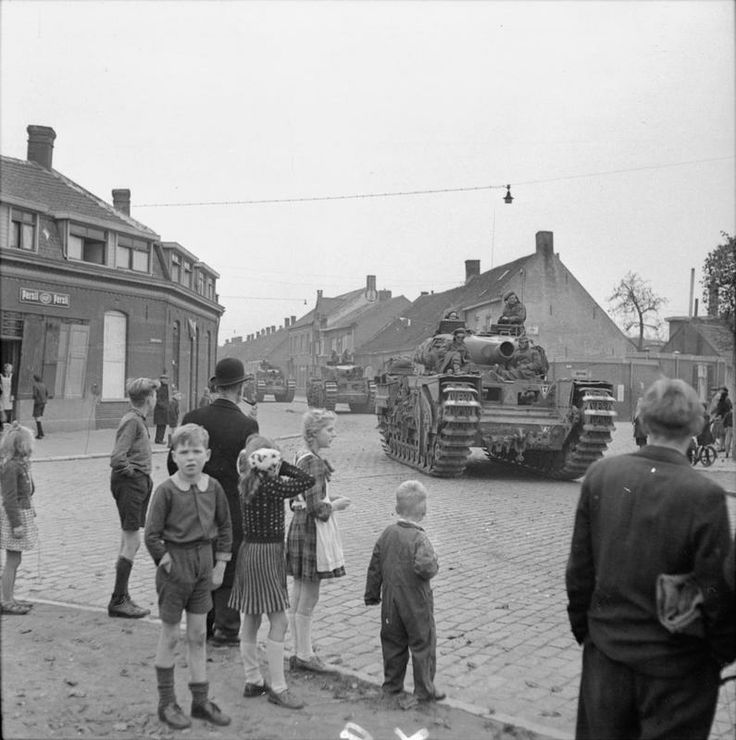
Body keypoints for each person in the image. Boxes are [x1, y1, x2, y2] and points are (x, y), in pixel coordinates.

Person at [566, 378, 736, 740]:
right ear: (698, 425)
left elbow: (579, 573)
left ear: (641, 421)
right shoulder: (705, 495)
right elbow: (717, 591)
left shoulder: (601, 475)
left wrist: (591, 636)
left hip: (606, 658)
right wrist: (718, 655)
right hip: (677, 671)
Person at [144, 423, 232, 730]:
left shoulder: (215, 488)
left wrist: (220, 564)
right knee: (170, 634)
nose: (191, 458)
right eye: (184, 452)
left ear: (207, 454)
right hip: (176, 567)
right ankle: (166, 702)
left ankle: (200, 701)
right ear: (174, 456)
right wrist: (166, 562)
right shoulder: (166, 490)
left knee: (197, 635)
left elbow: (224, 527)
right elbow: (152, 535)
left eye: (196, 451)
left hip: (203, 565)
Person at [171, 357, 259, 646]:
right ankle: (227, 628)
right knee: (229, 564)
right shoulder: (247, 424)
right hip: (232, 507)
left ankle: (201, 625)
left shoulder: (192, 418)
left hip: (194, 504)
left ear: (217, 385)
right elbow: (251, 474)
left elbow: (173, 467)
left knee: (199, 560)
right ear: (240, 387)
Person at [230, 435, 315, 709]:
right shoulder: (271, 485)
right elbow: (307, 481)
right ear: (265, 461)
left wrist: (265, 464)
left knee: (252, 617)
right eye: (273, 458)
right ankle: (278, 687)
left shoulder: (247, 482)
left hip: (250, 552)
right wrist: (285, 465)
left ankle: (253, 680)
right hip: (267, 554)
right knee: (279, 622)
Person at [364, 480, 444, 707]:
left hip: (390, 602)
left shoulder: (387, 533)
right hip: (416, 602)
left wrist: (372, 594)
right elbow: (426, 568)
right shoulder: (420, 539)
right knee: (422, 644)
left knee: (393, 643)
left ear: (398, 509)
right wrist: (435, 562)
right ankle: (423, 691)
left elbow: (375, 565)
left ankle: (392, 687)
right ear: (424, 510)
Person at [286, 408, 351, 672]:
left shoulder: (301, 457)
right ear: (314, 433)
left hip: (299, 527)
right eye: (329, 430)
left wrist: (327, 500)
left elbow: (296, 500)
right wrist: (336, 505)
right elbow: (317, 509)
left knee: (300, 592)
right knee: (310, 596)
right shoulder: (313, 462)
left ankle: (300, 648)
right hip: (312, 530)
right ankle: (304, 655)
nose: (333, 435)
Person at [108, 377, 159, 619]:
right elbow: (118, 457)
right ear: (149, 398)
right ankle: (118, 600)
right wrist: (134, 474)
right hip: (131, 484)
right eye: (155, 396)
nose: (156, 399)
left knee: (129, 541)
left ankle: (122, 595)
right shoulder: (132, 422)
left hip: (137, 484)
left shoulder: (136, 419)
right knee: (132, 541)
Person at [0, 423, 38, 615]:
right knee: (12, 560)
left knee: (16, 560)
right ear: (20, 446)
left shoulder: (20, 465)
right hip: (14, 518)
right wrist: (16, 524)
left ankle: (10, 596)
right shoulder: (11, 467)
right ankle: (6, 600)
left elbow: (28, 491)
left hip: (21, 514)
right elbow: (9, 499)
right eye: (28, 444)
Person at [710, 387, 732, 452]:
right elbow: (730, 408)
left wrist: (714, 417)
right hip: (725, 419)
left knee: (721, 434)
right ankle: (722, 447)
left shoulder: (721, 401)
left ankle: (721, 447)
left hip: (721, 419)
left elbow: (718, 410)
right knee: (723, 434)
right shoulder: (726, 400)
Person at [153, 374, 170, 445]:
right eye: (165, 379)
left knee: (163, 425)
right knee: (160, 425)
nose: (167, 381)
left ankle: (160, 438)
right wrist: (164, 406)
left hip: (164, 409)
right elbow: (158, 399)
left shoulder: (165, 387)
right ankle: (159, 439)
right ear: (162, 380)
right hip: (160, 409)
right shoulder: (160, 388)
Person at [31, 374, 49, 440]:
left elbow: (35, 395)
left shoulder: (35, 385)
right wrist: (45, 399)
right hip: (43, 403)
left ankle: (40, 434)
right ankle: (41, 433)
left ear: (35, 379)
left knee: (37, 418)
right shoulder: (43, 385)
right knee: (39, 417)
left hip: (38, 403)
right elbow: (47, 393)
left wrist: (33, 397)